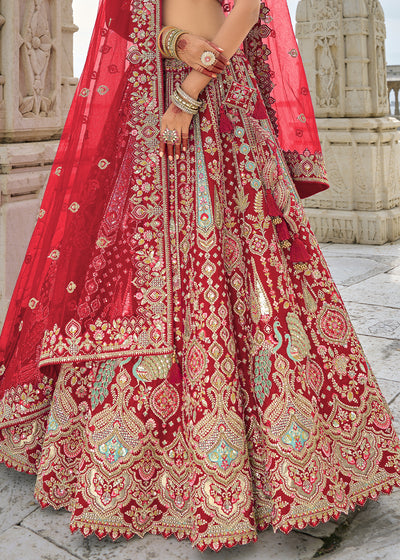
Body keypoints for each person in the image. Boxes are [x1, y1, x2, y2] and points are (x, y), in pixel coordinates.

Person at [0, 0, 399, 552]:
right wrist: (171, 48)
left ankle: (281, 457)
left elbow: (249, 7)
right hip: (156, 105)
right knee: (147, 277)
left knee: (252, 268)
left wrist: (189, 90)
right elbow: (128, 23)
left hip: (212, 103)